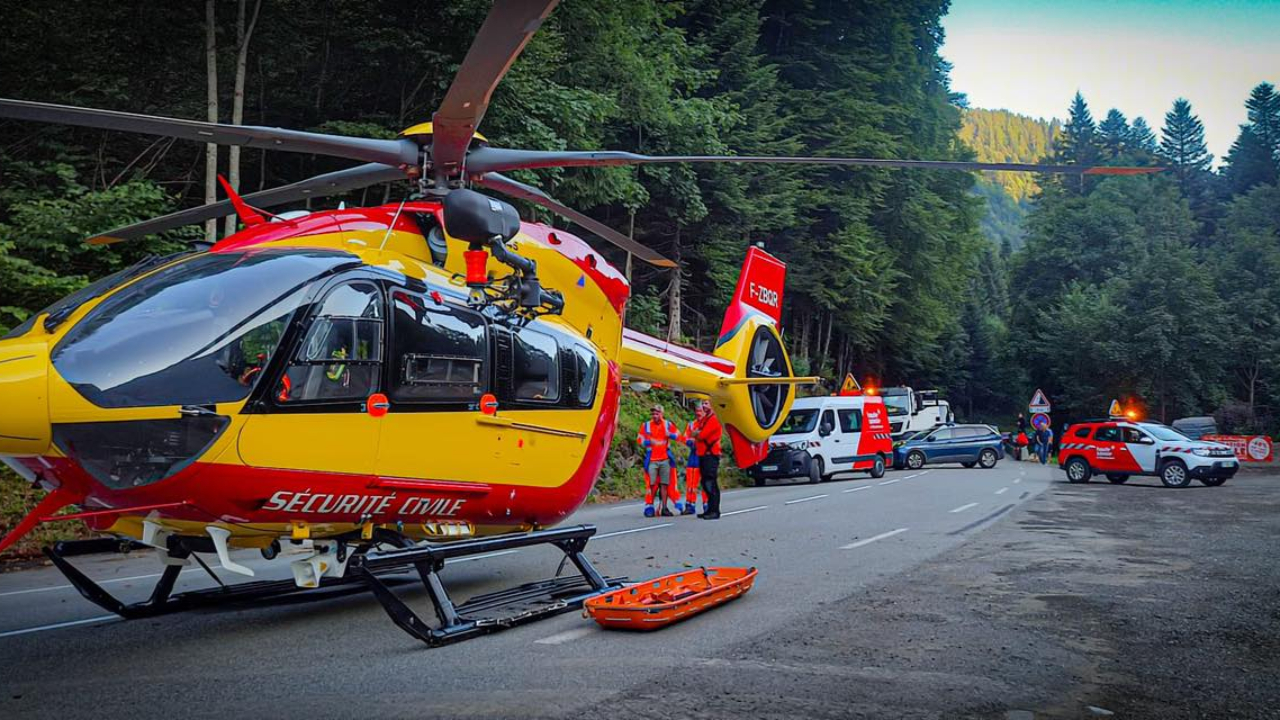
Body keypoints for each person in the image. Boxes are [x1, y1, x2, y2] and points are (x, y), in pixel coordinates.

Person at [637, 405, 679, 517]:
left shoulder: (668, 425)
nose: (655, 416)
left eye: (657, 413)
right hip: (651, 458)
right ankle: (649, 506)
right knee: (651, 484)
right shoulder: (646, 425)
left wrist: (670, 435)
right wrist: (648, 442)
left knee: (665, 484)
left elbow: (678, 436)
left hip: (665, 458)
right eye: (653, 414)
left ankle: (664, 507)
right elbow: (639, 439)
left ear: (662, 414)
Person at [694, 400, 723, 519]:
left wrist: (697, 434)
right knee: (705, 482)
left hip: (710, 454)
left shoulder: (714, 419)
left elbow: (701, 435)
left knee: (710, 482)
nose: (704, 406)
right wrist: (697, 433)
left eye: (706, 403)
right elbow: (696, 432)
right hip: (704, 454)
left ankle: (715, 511)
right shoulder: (705, 419)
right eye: (703, 403)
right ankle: (710, 509)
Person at [680, 406, 706, 515]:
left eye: (700, 411)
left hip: (704, 456)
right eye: (697, 411)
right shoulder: (691, 425)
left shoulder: (708, 424)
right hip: (693, 456)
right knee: (690, 483)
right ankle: (690, 505)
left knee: (705, 483)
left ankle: (707, 505)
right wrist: (691, 442)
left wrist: (698, 440)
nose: (698, 413)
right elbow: (685, 438)